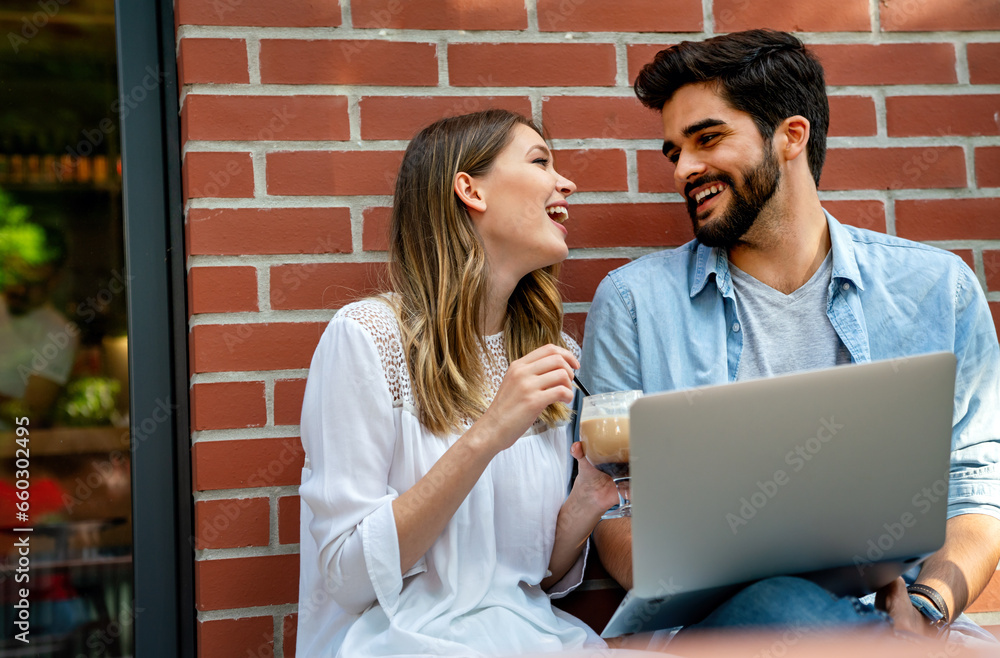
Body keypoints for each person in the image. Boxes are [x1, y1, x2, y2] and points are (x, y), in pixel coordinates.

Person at [579, 29, 1000, 643]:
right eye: (674, 152)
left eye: (707, 138)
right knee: (776, 600)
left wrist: (928, 608)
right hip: (717, 630)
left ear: (791, 137)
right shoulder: (635, 304)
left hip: (901, 622)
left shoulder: (937, 289)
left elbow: (975, 494)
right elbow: (615, 508)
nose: (684, 170)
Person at [295, 109, 619, 657]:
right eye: (540, 161)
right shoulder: (368, 338)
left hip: (526, 636)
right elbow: (348, 577)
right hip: (394, 642)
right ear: (471, 190)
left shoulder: (555, 355)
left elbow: (533, 578)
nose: (566, 183)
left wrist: (588, 497)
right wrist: (489, 432)